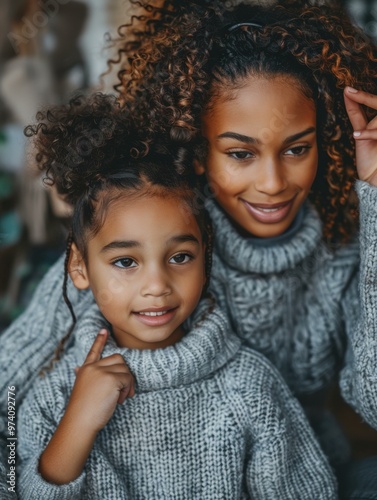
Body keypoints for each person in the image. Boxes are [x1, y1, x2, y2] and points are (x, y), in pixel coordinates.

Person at [16, 93, 337, 499]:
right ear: (79, 267)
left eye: (180, 256)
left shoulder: (249, 386)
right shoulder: (54, 397)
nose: (157, 285)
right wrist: (75, 428)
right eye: (126, 262)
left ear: (207, 259)